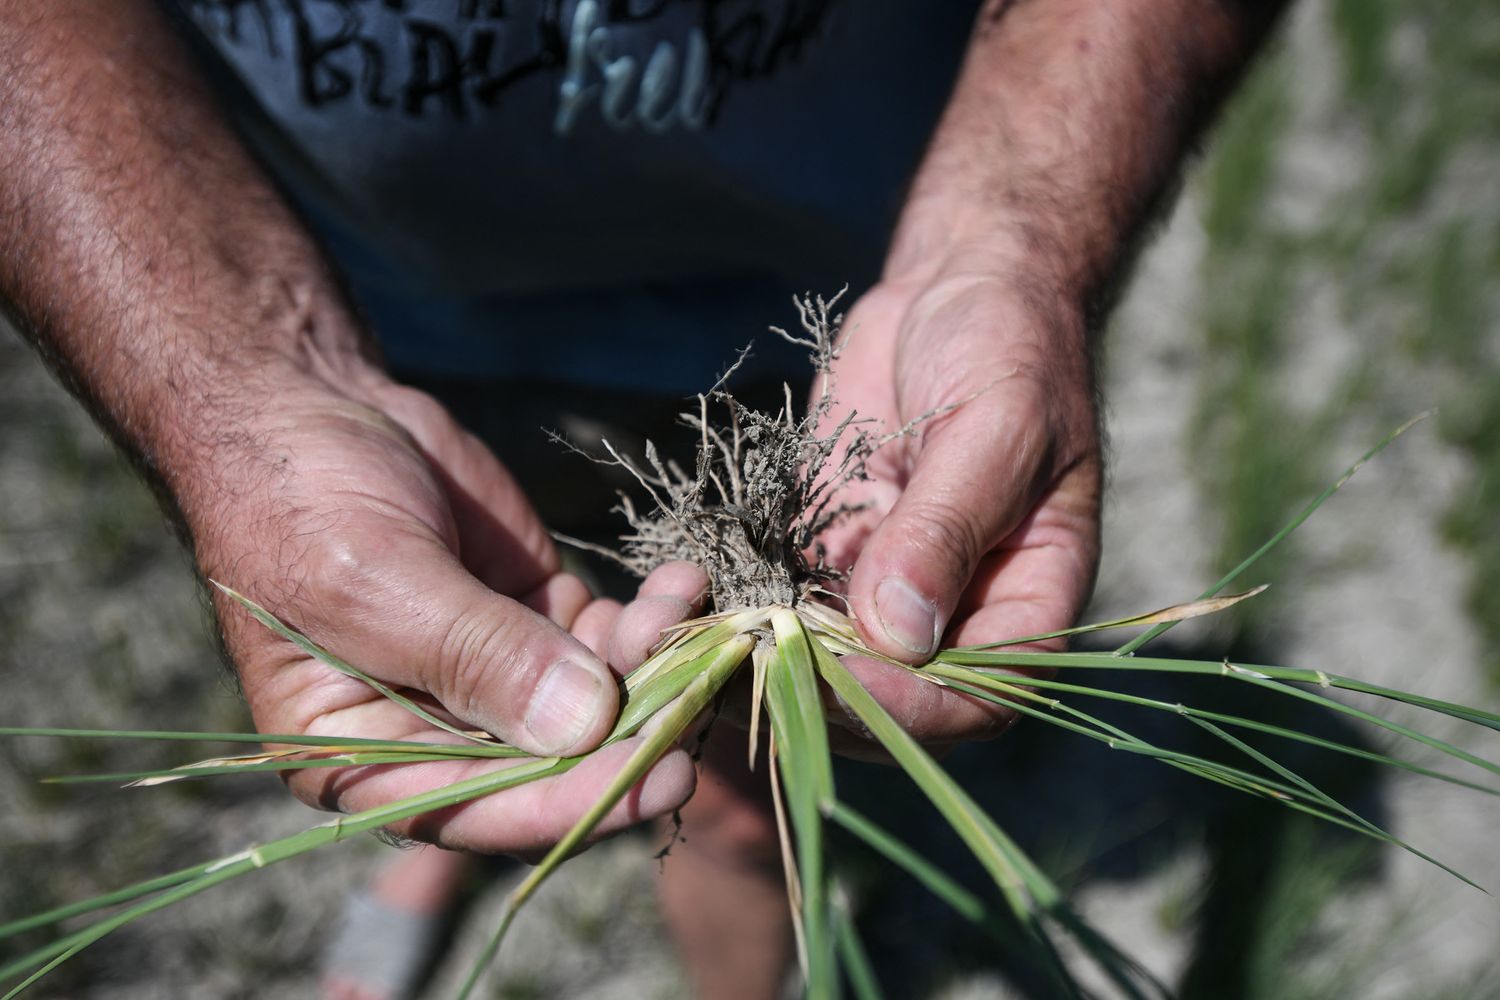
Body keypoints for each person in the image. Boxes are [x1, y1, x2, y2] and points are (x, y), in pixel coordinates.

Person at [0, 2, 1288, 997]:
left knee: (729, 756)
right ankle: (446, 849)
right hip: (358, 305)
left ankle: (738, 897)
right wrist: (241, 370)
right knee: (454, 652)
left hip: (837, 318)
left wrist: (1006, 240)